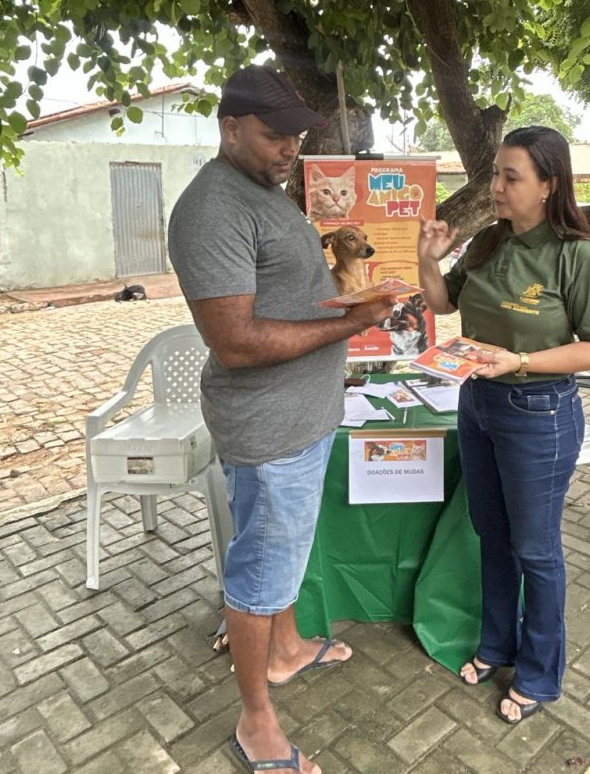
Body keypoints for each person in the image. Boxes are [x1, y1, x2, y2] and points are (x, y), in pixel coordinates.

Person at [168, 64, 396, 774]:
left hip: (301, 417)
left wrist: (350, 303)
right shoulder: (213, 209)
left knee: (282, 553)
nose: (290, 148)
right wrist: (351, 325)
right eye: (275, 135)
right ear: (230, 128)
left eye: (297, 135)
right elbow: (236, 342)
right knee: (260, 573)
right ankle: (256, 723)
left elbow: (285, 297)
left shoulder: (264, 192)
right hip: (270, 430)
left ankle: (287, 650)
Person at [417, 125, 590, 725]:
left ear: (548, 184)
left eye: (511, 177)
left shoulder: (576, 255)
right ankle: (496, 644)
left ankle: (539, 675)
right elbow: (442, 303)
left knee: (536, 549)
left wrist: (521, 361)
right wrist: (428, 260)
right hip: (478, 404)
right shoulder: (488, 241)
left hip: (540, 413)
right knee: (492, 534)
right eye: (495, 175)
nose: (496, 188)